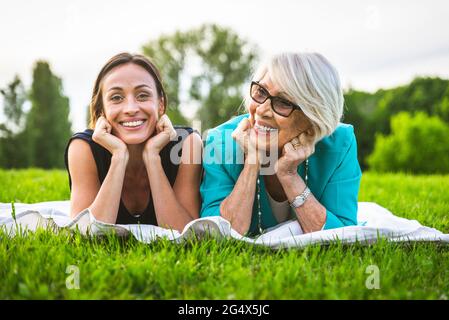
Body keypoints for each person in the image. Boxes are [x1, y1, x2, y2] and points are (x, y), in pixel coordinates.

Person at [200, 52, 362, 236]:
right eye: (261, 92)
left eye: (283, 102)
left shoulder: (340, 143)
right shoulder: (221, 143)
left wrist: (289, 175)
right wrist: (252, 162)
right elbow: (215, 233)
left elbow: (344, 236)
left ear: (313, 119)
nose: (261, 110)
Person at [64, 53, 203, 232]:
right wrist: (119, 156)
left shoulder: (187, 145)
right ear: (101, 111)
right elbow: (86, 233)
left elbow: (185, 234)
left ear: (160, 104)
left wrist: (152, 156)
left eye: (143, 95)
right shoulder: (82, 148)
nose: (130, 109)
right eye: (116, 98)